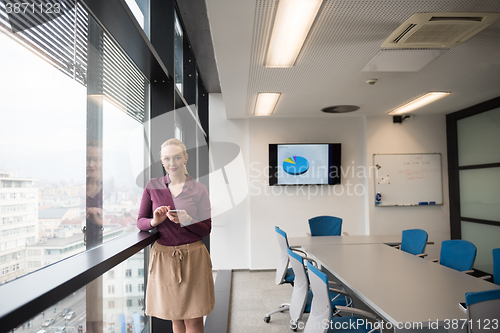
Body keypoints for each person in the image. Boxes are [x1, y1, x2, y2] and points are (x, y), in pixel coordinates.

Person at [137, 138, 214, 333]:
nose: (172, 163)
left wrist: (187, 219)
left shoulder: (199, 189)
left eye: (177, 157)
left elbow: (206, 229)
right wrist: (155, 221)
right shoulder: (152, 186)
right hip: (164, 258)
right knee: (176, 319)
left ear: (185, 158)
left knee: (194, 320)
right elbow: (141, 222)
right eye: (167, 158)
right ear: (162, 161)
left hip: (193, 257)